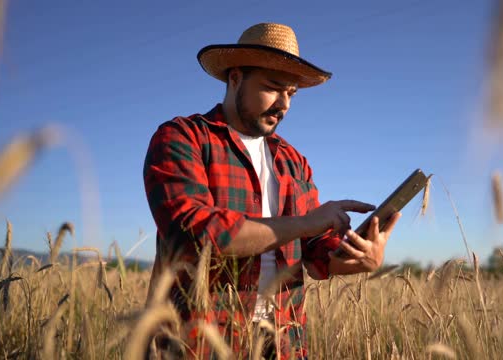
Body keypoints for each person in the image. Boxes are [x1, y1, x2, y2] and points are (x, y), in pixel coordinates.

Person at [143, 22, 401, 359]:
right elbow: (197, 235)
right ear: (235, 77)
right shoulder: (183, 138)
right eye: (273, 87)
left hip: (283, 344)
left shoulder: (293, 161)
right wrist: (307, 222)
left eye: (292, 93)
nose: (285, 104)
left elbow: (317, 251)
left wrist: (361, 257)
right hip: (199, 343)